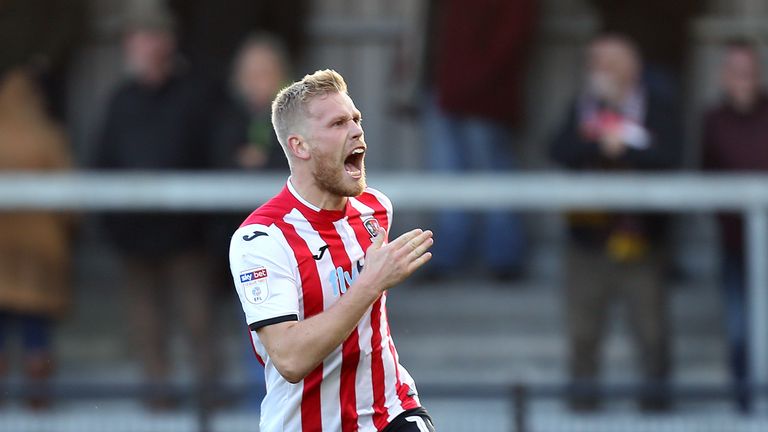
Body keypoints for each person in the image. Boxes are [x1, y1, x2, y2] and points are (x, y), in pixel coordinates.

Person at [229, 70, 436, 431]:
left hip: (390, 412)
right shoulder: (262, 239)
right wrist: (370, 284)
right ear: (300, 146)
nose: (356, 131)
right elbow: (290, 359)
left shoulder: (376, 209)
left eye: (356, 119)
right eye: (339, 123)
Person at [91, 8, 219, 409]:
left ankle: (208, 403)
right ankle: (158, 402)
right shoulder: (121, 100)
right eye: (135, 38)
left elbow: (209, 157)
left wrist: (204, 223)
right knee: (146, 327)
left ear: (166, 42)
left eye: (148, 37)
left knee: (198, 322)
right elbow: (103, 159)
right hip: (135, 237)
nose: (141, 46)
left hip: (186, 237)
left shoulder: (193, 95)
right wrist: (112, 223)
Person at [550, 34, 682, 412]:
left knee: (652, 333)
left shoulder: (657, 106)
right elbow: (559, 149)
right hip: (588, 240)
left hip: (641, 239)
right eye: (594, 62)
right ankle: (582, 412)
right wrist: (596, 143)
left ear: (633, 68)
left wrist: (626, 147)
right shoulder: (581, 107)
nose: (599, 70)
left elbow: (671, 155)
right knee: (583, 333)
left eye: (609, 62)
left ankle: (657, 412)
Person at [421, 0, 536, 281]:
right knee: (445, 174)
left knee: (492, 172)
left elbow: (515, 30)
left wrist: (479, 77)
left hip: (484, 92)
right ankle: (448, 254)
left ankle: (504, 256)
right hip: (442, 86)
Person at [701, 39, 768, 413]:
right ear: (724, 76)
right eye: (736, 70)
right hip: (734, 245)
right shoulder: (713, 119)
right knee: (740, 329)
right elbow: (705, 177)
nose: (744, 78)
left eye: (750, 70)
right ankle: (746, 411)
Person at [0, 68, 73, 409]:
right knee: (36, 329)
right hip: (41, 251)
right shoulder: (48, 135)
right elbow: (69, 194)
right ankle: (38, 401)